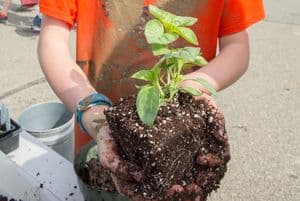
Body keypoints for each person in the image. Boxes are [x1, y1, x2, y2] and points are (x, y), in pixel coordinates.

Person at [38, 0, 265, 200]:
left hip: (183, 133)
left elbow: (237, 46)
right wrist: (93, 111)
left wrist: (191, 88)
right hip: (100, 132)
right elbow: (52, 40)